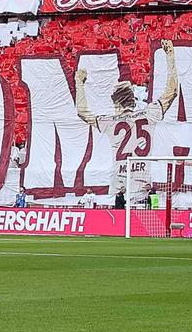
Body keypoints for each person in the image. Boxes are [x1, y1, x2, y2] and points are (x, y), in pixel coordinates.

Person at [76, 40, 180, 208]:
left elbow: (82, 111)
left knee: (117, 230)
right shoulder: (149, 113)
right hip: (143, 185)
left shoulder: (109, 121)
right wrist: (170, 56)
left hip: (120, 186)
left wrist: (79, 82)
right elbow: (173, 91)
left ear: (117, 103)